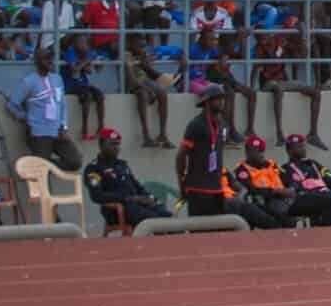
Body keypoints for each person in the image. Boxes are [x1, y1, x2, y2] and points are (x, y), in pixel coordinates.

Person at [6, 43, 83, 172]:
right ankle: (40, 165)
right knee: (42, 173)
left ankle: (42, 163)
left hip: (58, 132)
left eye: (51, 58)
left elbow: (62, 104)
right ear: (37, 62)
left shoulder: (57, 78)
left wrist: (64, 126)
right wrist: (25, 117)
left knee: (74, 161)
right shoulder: (28, 81)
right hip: (39, 133)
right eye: (46, 58)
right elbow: (12, 104)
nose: (50, 61)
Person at [83, 128, 170, 230]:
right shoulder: (94, 168)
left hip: (136, 206)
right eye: (112, 144)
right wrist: (127, 198)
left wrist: (150, 199)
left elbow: (137, 187)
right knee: (155, 221)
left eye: (118, 144)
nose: (117, 147)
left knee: (166, 215)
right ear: (101, 145)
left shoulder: (122, 165)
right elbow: (97, 196)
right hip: (116, 210)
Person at [175, 84, 231, 216]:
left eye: (222, 98)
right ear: (207, 101)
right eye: (217, 98)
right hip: (197, 188)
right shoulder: (196, 124)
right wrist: (182, 182)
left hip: (217, 188)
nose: (222, 102)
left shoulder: (223, 124)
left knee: (219, 232)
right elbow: (181, 156)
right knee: (199, 232)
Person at [228, 136, 298, 229]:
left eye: (262, 151)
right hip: (265, 201)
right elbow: (251, 189)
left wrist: (292, 188)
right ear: (247, 152)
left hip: (285, 198)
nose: (261, 154)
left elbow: (288, 179)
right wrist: (277, 191)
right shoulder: (242, 170)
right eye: (257, 151)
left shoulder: (271, 165)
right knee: (285, 215)